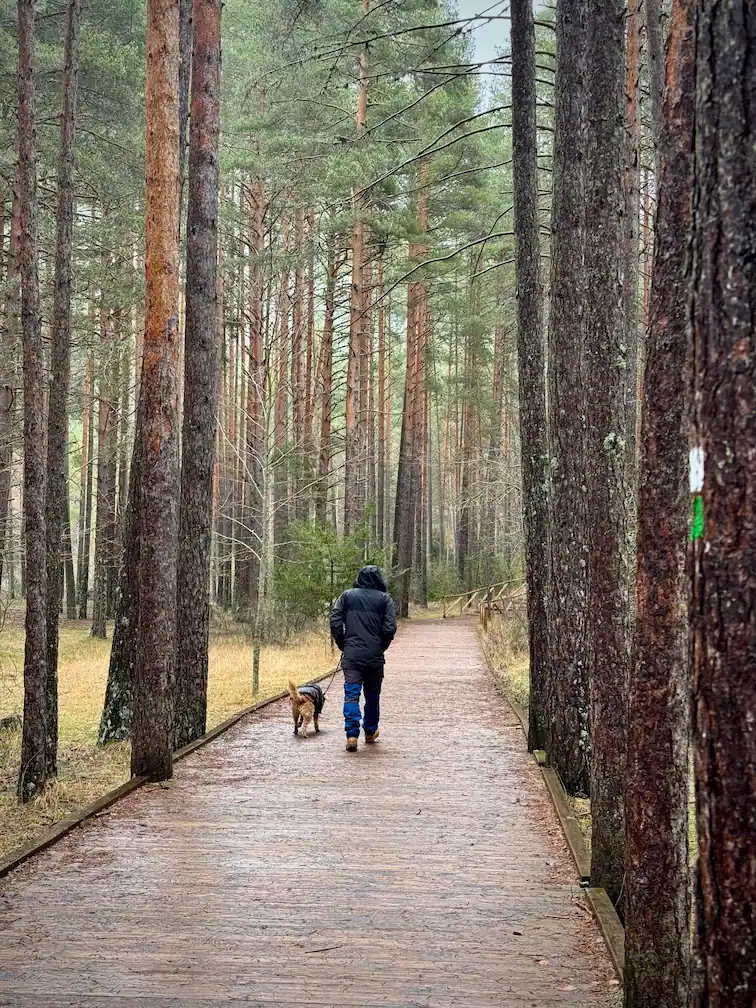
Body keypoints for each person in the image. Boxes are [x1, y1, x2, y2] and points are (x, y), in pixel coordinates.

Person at [329, 565, 397, 752]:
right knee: (372, 695)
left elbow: (334, 620)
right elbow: (390, 628)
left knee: (351, 694)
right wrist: (381, 645)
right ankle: (370, 731)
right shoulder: (385, 600)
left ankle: (352, 735)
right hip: (374, 657)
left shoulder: (347, 596)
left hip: (352, 656)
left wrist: (343, 642)